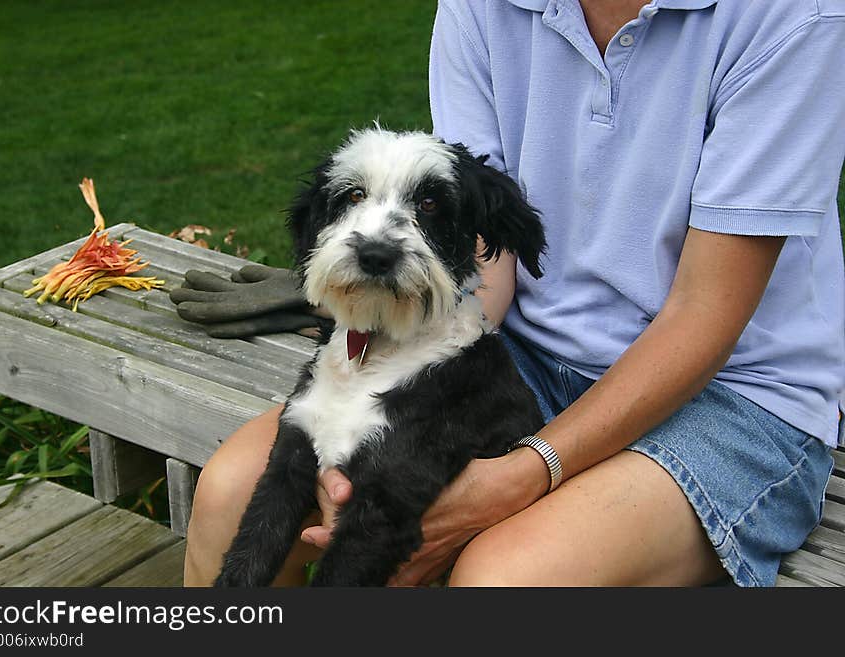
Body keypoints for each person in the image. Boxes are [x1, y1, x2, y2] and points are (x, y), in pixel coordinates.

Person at [177, 0, 845, 587]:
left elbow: (705, 313)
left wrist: (531, 468)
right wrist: (375, 355)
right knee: (231, 496)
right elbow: (486, 254)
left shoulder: (792, 15)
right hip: (516, 351)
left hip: (733, 393)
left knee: (501, 577)